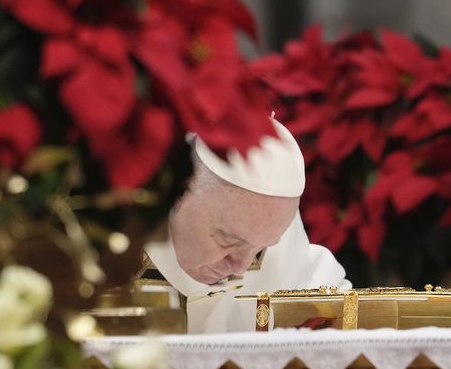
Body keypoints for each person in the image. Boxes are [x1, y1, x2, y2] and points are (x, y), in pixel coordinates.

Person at [136, 117, 351, 333]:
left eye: (260, 249)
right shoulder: (120, 233)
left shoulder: (270, 224)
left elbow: (339, 313)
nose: (240, 269)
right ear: (178, 195)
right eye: (229, 240)